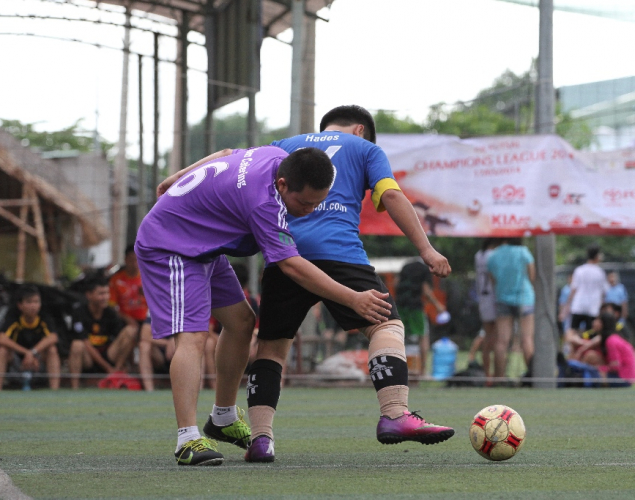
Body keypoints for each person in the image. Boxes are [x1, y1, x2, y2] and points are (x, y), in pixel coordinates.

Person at [157, 105, 453, 464]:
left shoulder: (286, 145)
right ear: (360, 130)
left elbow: (226, 157)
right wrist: (426, 249)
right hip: (339, 253)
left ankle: (261, 439)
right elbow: (391, 196)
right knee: (386, 324)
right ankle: (395, 414)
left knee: (271, 346)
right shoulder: (367, 149)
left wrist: (178, 178)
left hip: (285, 254)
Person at [139, 145, 392, 466]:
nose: (309, 211)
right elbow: (292, 265)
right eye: (304, 203)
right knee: (192, 337)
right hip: (171, 245)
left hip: (202, 245)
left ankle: (223, 418)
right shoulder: (264, 204)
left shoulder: (274, 156)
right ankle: (187, 439)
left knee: (242, 322)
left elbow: (224, 152)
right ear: (284, 184)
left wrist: (178, 177)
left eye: (317, 203)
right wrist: (353, 298)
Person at [69, 277, 138, 389]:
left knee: (130, 330)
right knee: (77, 345)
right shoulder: (79, 312)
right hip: (89, 358)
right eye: (101, 294)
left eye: (107, 293)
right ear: (89, 295)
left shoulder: (111, 313)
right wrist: (107, 368)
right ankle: (74, 388)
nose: (105, 297)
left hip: (109, 355)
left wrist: (123, 365)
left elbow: (124, 342)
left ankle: (116, 374)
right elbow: (85, 343)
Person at [0, 284, 60, 390]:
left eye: (36, 302)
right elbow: (1, 338)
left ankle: (55, 391)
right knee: (2, 350)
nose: (33, 306)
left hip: (37, 362)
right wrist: (26, 353)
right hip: (18, 362)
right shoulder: (13, 316)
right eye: (29, 302)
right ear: (20, 305)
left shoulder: (44, 316)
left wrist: (33, 352)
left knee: (52, 349)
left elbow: (53, 337)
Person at [109, 246, 159, 391]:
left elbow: (157, 304)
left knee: (148, 347)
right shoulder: (116, 280)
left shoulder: (147, 278)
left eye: (137, 259)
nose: (134, 263)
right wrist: (126, 318)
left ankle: (148, 384)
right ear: (125, 260)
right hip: (125, 324)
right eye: (131, 259)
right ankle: (117, 372)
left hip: (148, 324)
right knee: (131, 332)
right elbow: (113, 307)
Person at [486, 238, 535, 383]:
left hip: (502, 299)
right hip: (524, 298)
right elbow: (531, 275)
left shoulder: (493, 255)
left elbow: (492, 279)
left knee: (502, 341)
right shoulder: (523, 251)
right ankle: (533, 376)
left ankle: (499, 378)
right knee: (526, 339)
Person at [396, 259, 446, 377]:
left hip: (401, 306)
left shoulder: (406, 265)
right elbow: (426, 290)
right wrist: (438, 306)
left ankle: (397, 369)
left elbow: (396, 282)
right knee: (423, 337)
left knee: (398, 337)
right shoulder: (424, 269)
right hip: (415, 307)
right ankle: (423, 372)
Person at [563, 245, 607, 338]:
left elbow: (574, 289)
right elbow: (604, 292)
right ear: (597, 256)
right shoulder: (600, 272)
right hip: (593, 308)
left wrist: (567, 305)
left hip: (578, 306)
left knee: (573, 332)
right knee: (591, 334)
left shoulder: (579, 270)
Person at [475, 238, 501, 379]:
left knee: (487, 337)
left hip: (483, 299)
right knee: (498, 339)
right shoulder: (495, 255)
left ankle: (487, 375)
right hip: (495, 298)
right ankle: (497, 374)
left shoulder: (479, 254)